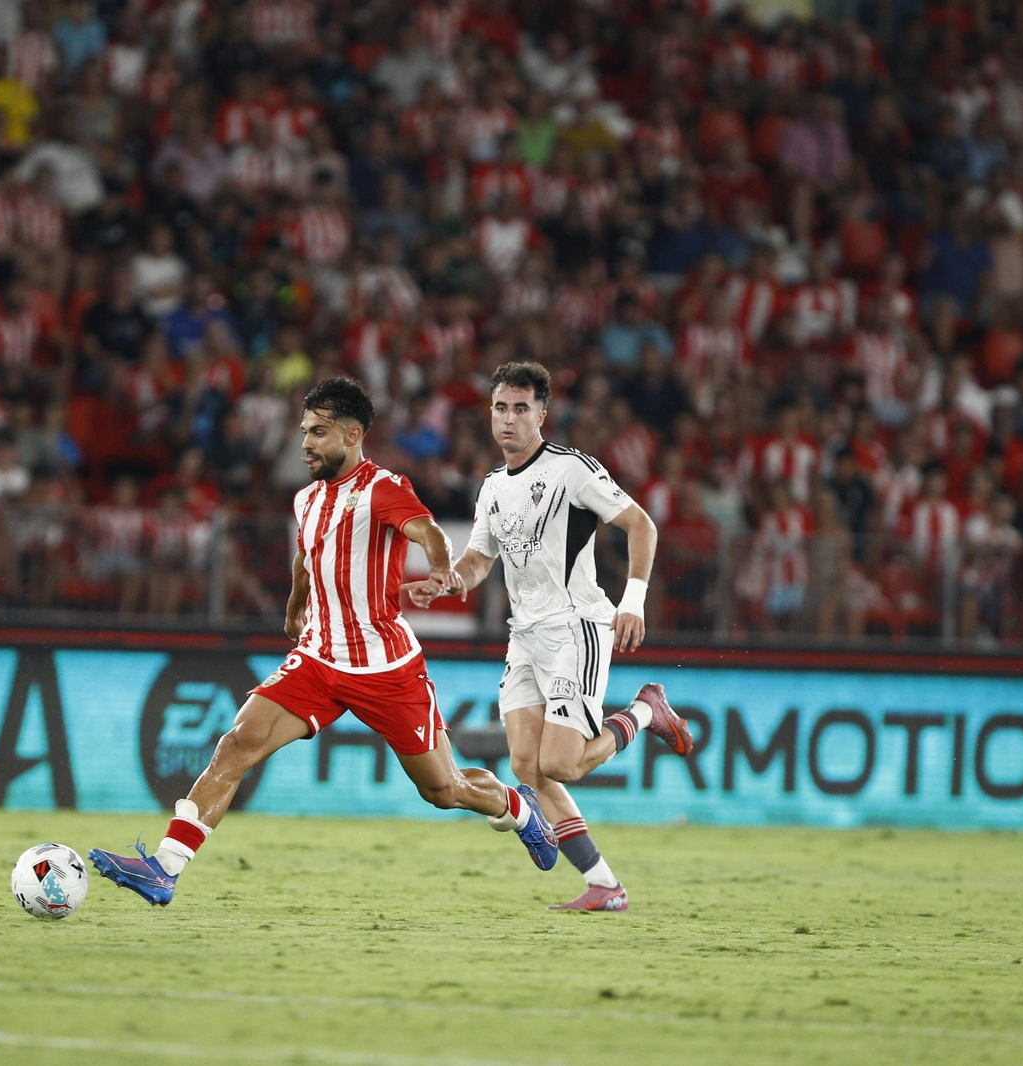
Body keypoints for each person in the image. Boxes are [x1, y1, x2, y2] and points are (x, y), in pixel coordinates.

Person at [88, 377, 562, 905]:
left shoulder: (382, 488)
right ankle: (164, 868)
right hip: (316, 657)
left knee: (443, 789)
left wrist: (441, 569)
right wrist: (294, 611)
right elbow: (305, 557)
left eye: (318, 432)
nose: (306, 444)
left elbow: (427, 531)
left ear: (353, 435)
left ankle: (518, 809)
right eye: (304, 431)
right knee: (235, 745)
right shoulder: (307, 498)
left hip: (386, 667)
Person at [406, 361, 694, 911]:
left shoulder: (571, 469)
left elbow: (641, 525)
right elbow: (478, 560)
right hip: (525, 636)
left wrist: (632, 600)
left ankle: (644, 712)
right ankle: (606, 886)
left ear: (542, 414)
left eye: (520, 408)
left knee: (560, 765)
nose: (509, 419)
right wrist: (447, 583)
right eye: (500, 408)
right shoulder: (492, 486)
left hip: (575, 627)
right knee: (526, 766)